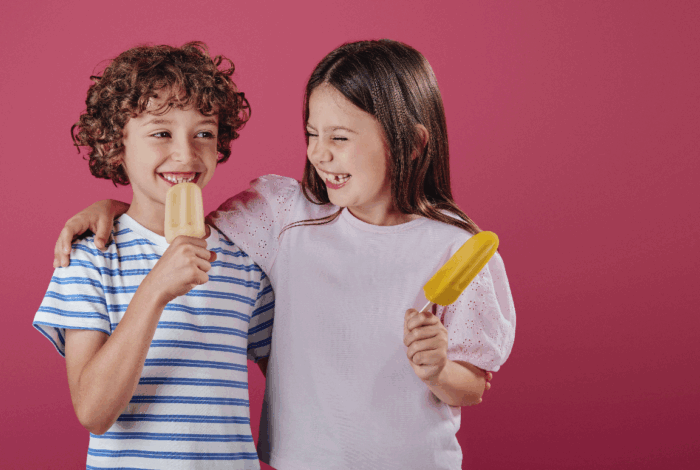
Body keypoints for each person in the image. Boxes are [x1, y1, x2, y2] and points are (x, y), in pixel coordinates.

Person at [53, 39, 515, 470]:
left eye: (340, 138)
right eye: (312, 134)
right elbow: (175, 215)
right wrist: (116, 208)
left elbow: (471, 382)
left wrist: (438, 369)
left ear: (411, 144)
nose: (319, 154)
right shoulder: (280, 216)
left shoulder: (457, 249)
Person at [33, 42, 274, 470]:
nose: (185, 153)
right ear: (116, 144)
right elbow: (93, 411)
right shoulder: (89, 258)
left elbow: (292, 375)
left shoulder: (244, 260)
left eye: (204, 132)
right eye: (161, 132)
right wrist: (155, 291)